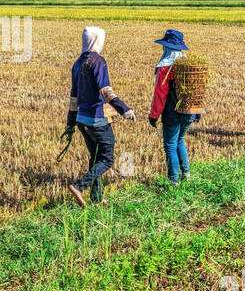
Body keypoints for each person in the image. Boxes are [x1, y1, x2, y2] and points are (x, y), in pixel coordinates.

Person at [63, 26, 135, 206]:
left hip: (81, 120)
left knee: (94, 158)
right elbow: (106, 91)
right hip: (97, 120)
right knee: (107, 158)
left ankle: (95, 199)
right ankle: (79, 186)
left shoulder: (77, 63)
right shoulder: (98, 61)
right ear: (97, 40)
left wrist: (70, 123)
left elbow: (73, 97)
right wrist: (124, 109)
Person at [147, 29, 199, 185]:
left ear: (166, 47)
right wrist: (197, 111)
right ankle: (186, 173)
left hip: (172, 113)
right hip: (189, 112)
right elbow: (197, 90)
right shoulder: (190, 66)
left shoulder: (165, 68)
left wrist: (154, 115)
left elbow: (160, 95)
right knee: (180, 140)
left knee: (170, 144)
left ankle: (173, 180)